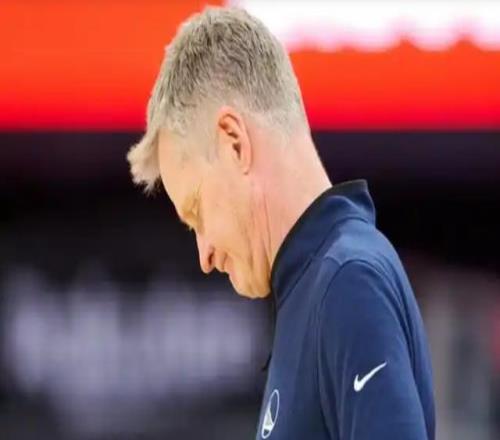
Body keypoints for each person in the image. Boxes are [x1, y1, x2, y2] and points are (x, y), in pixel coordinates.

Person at [126, 6, 435, 440]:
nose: (204, 255)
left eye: (197, 211)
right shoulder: (317, 287)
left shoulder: (348, 282)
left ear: (234, 142)